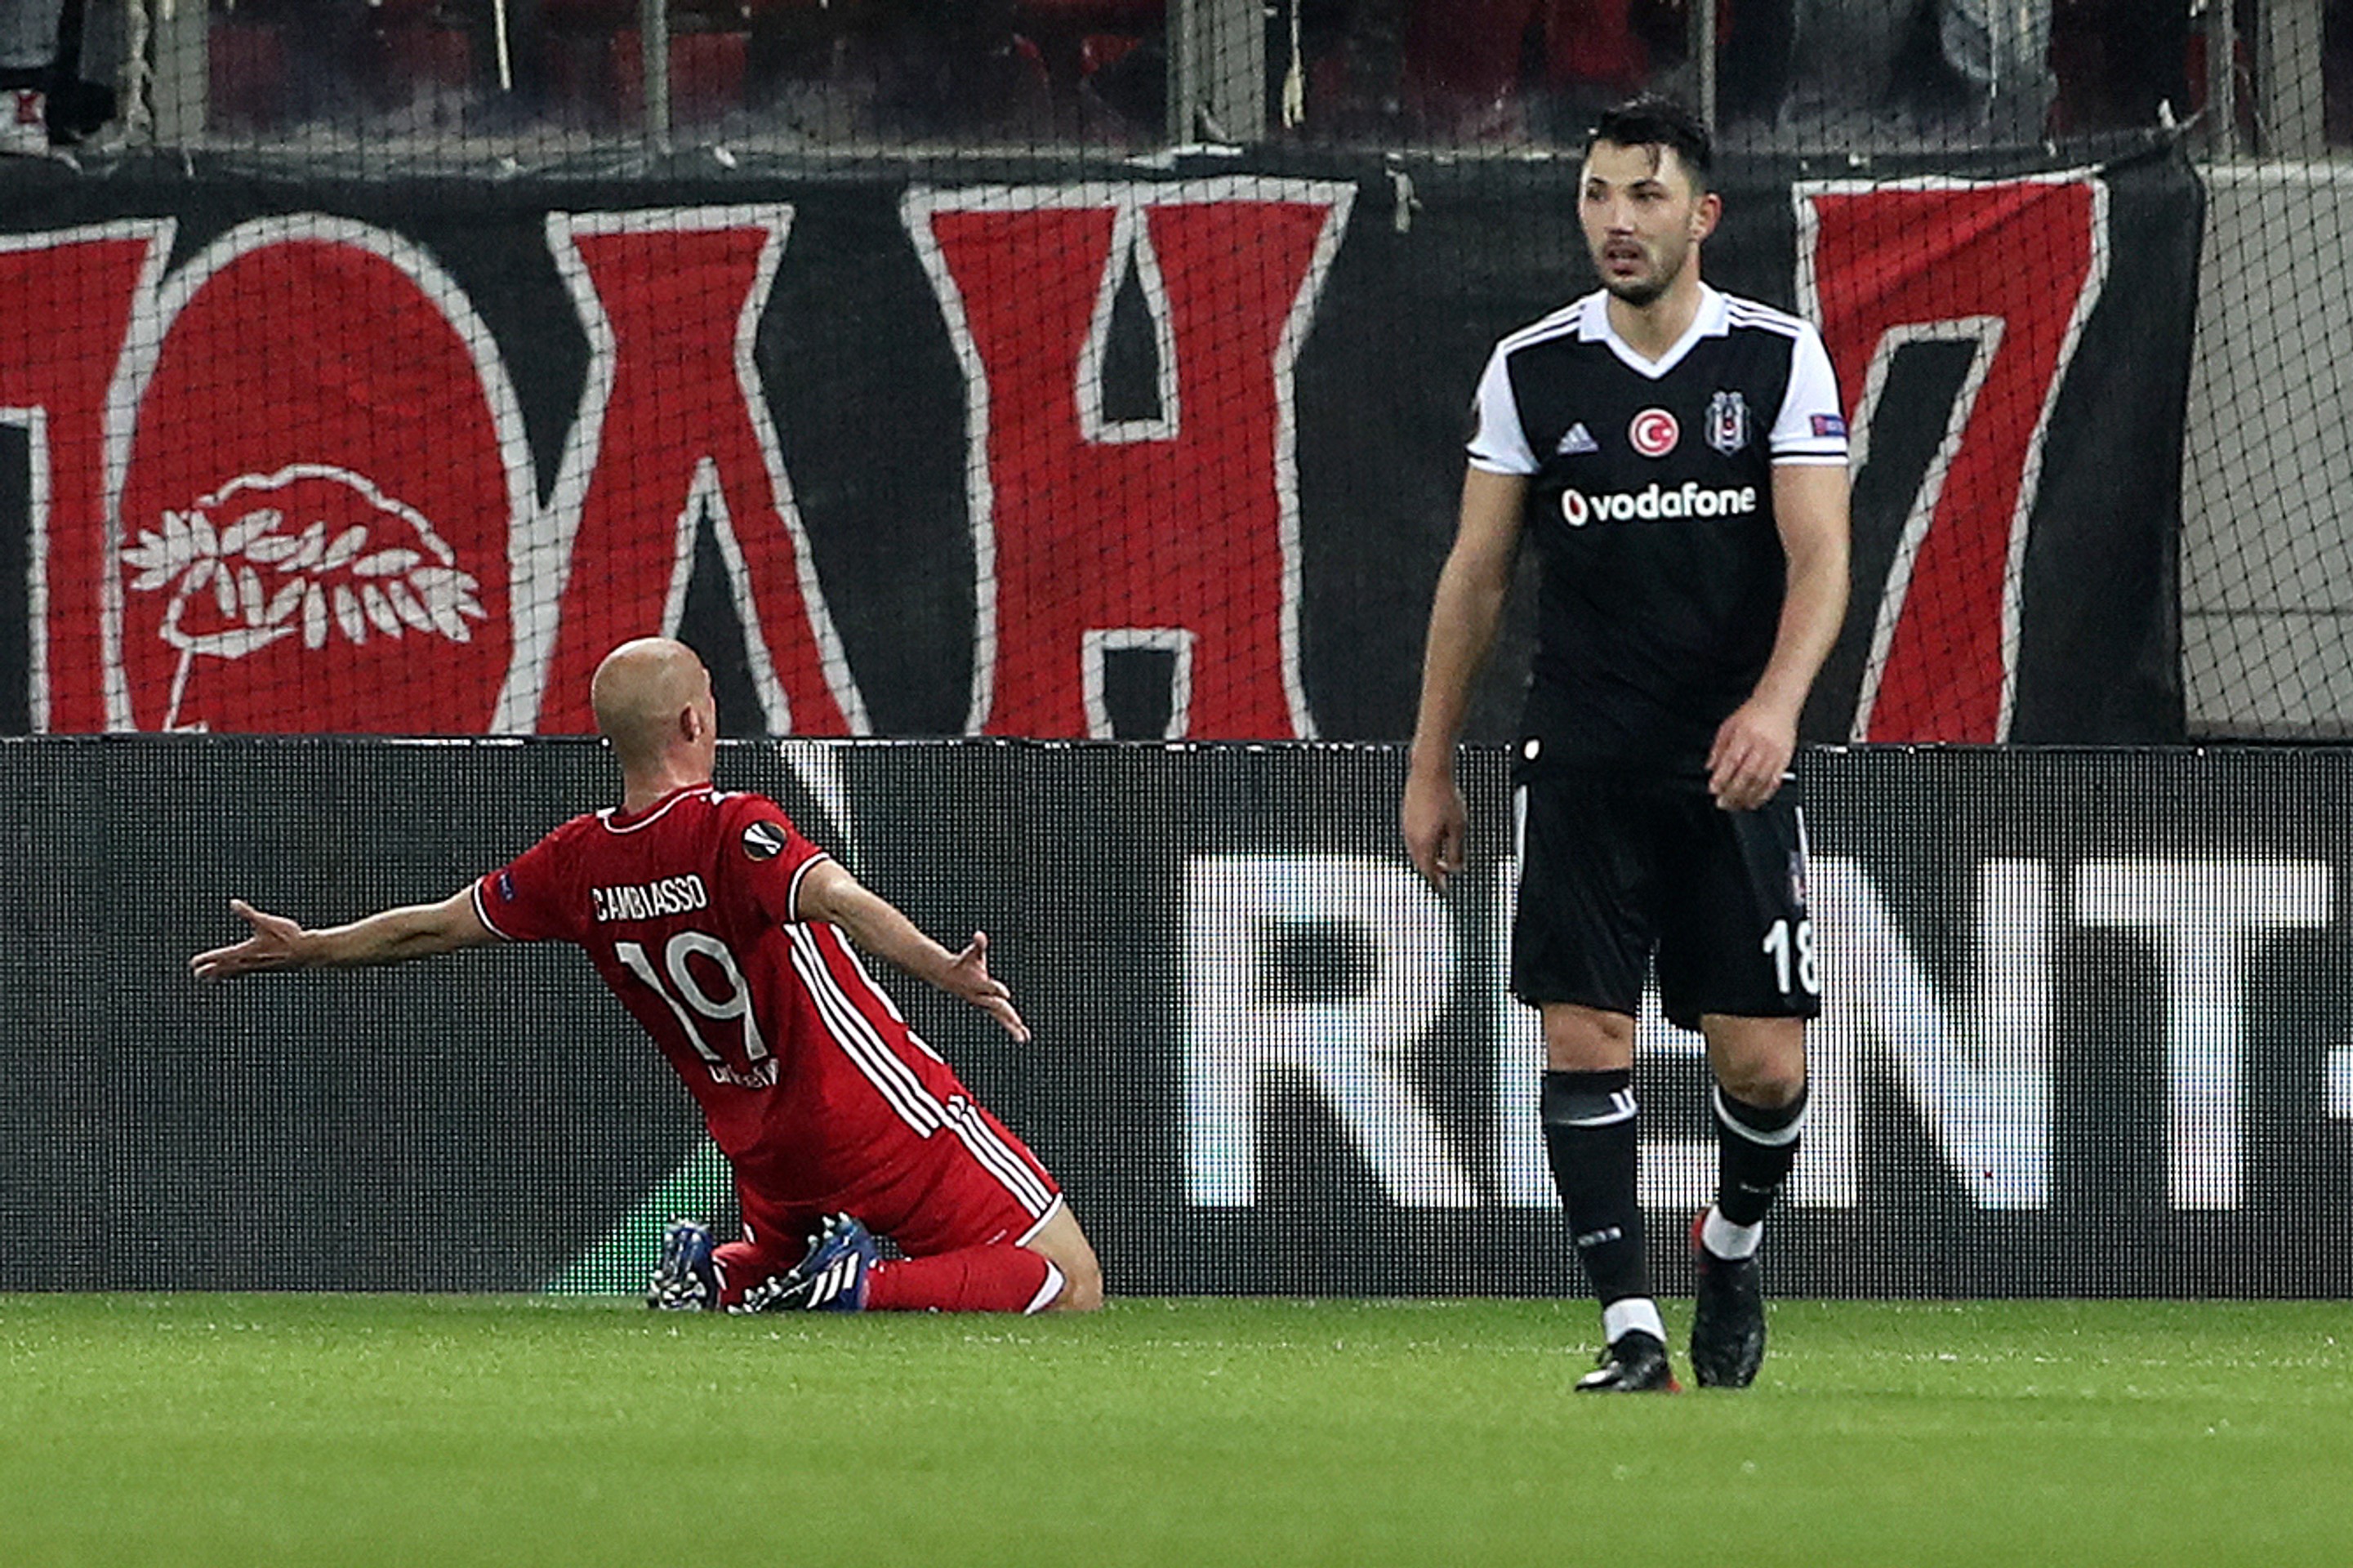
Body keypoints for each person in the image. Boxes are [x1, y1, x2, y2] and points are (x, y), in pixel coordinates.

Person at [192, 635, 1105, 1316]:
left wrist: (310, 945)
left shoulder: (575, 863)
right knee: (1070, 1281)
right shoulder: (732, 827)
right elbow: (840, 898)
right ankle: (859, 1288)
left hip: (762, 1151)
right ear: (693, 720)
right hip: (872, 1116)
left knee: (775, 1264)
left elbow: (426, 930)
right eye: (709, 695)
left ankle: (714, 1272)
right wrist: (943, 968)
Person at [1400, 95, 1849, 1391]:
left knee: (1764, 1069)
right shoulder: (1532, 368)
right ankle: (1629, 1329)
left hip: (1730, 762)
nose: (1616, 220)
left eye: (1644, 195)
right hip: (1582, 754)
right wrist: (1431, 764)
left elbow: (1820, 554)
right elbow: (1476, 576)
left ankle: (1729, 1244)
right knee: (1582, 1037)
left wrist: (1773, 706)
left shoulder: (1775, 358)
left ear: (1700, 215)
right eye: (1597, 193)